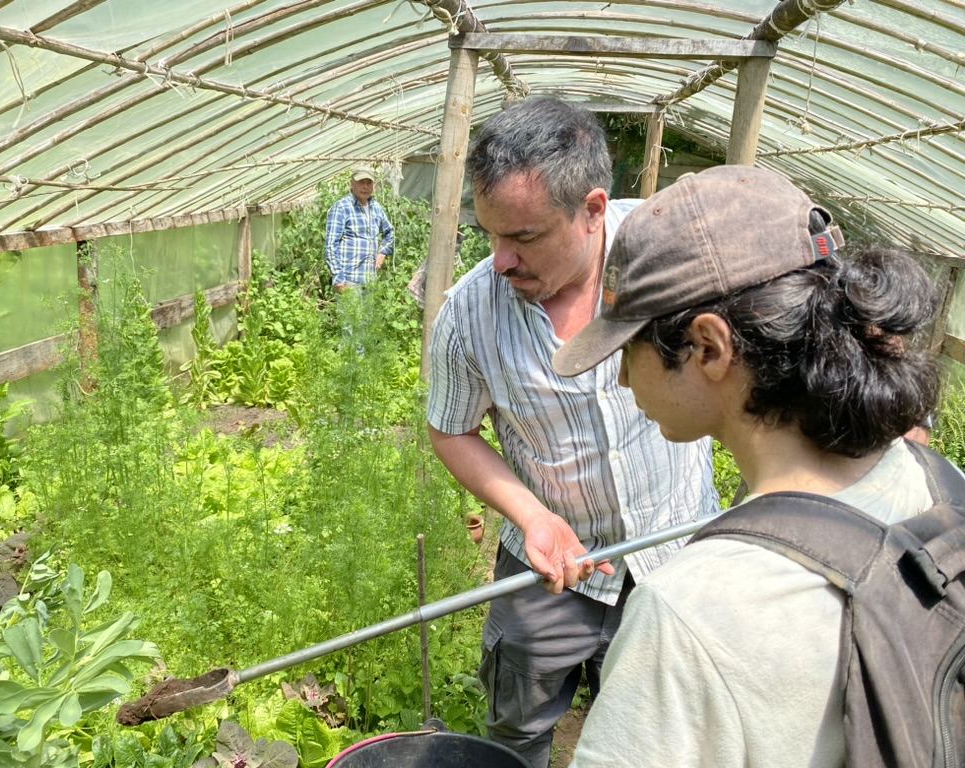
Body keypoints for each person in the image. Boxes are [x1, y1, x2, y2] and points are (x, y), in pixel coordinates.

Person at [554, 164, 944, 767]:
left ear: (708, 347)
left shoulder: (691, 611)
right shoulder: (936, 480)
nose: (624, 377)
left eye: (630, 350)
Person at [426, 98, 720, 768]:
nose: (502, 259)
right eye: (490, 235)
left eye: (524, 238)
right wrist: (532, 517)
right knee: (517, 730)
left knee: (659, 738)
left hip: (674, 556)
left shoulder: (669, 259)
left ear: (592, 210)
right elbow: (452, 431)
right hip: (545, 572)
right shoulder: (470, 313)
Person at [325, 167, 394, 292]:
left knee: (369, 312)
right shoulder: (342, 208)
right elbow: (331, 245)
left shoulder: (376, 208)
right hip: (349, 280)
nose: (365, 187)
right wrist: (338, 277)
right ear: (352, 183)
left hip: (370, 279)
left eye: (369, 183)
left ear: (374, 185)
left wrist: (382, 253)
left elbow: (390, 232)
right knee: (351, 312)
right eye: (361, 182)